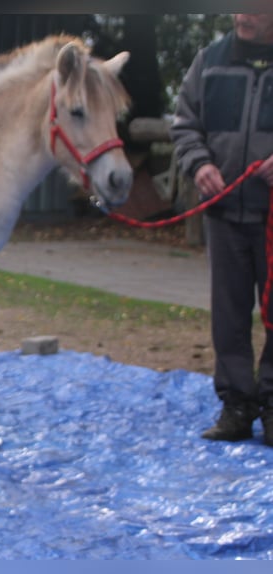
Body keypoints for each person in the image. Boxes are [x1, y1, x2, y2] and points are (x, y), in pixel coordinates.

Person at [171, 13, 273, 446]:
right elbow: (185, 122)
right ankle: (236, 405)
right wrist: (200, 164)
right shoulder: (208, 61)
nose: (244, 14)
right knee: (228, 318)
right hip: (224, 213)